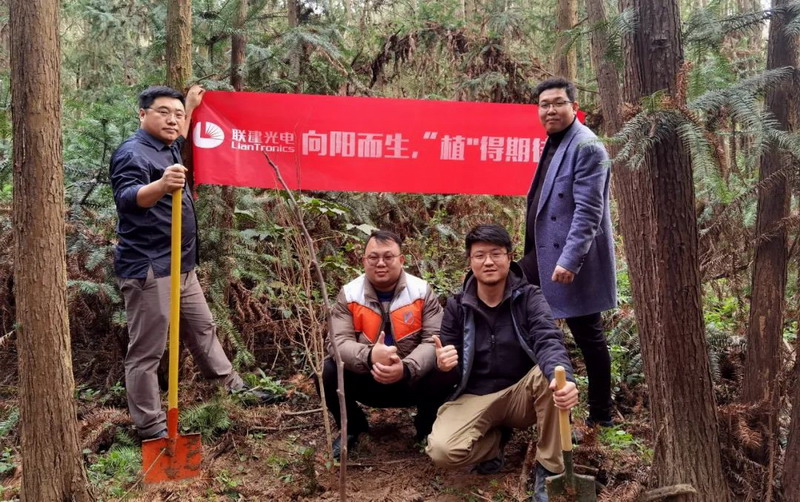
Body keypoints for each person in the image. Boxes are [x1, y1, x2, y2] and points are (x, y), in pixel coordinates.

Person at [110, 85, 277, 440]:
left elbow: (179, 131)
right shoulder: (132, 153)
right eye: (163, 113)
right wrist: (160, 185)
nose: (173, 120)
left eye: (177, 115)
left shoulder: (168, 143)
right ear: (142, 114)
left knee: (203, 328)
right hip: (150, 268)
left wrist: (189, 105)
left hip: (182, 265)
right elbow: (126, 198)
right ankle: (152, 427)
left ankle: (231, 387)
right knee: (146, 352)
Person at [425, 224, 578, 501]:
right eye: (480, 255)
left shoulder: (529, 297)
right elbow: (449, 371)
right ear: (470, 261)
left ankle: (549, 470)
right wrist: (444, 367)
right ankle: (495, 443)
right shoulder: (458, 306)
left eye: (496, 253)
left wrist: (564, 379)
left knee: (551, 377)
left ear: (509, 257)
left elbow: (548, 340)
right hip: (475, 395)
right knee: (442, 451)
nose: (488, 261)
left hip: (521, 394)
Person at [520, 77, 617, 428]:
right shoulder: (555, 141)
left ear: (574, 107)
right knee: (520, 312)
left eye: (558, 103)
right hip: (541, 254)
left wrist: (570, 260)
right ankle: (529, 399)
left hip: (570, 261)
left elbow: (589, 212)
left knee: (588, 335)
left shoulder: (587, 146)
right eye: (544, 105)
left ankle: (601, 416)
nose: (550, 110)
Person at [321, 230, 455, 460]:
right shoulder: (350, 294)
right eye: (373, 257)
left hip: (411, 379)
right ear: (364, 261)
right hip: (367, 377)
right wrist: (369, 356)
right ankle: (353, 428)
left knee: (445, 366)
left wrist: (406, 367)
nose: (380, 263)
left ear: (401, 260)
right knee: (327, 370)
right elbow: (337, 343)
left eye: (388, 256)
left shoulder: (421, 291)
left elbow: (433, 340)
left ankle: (426, 425)